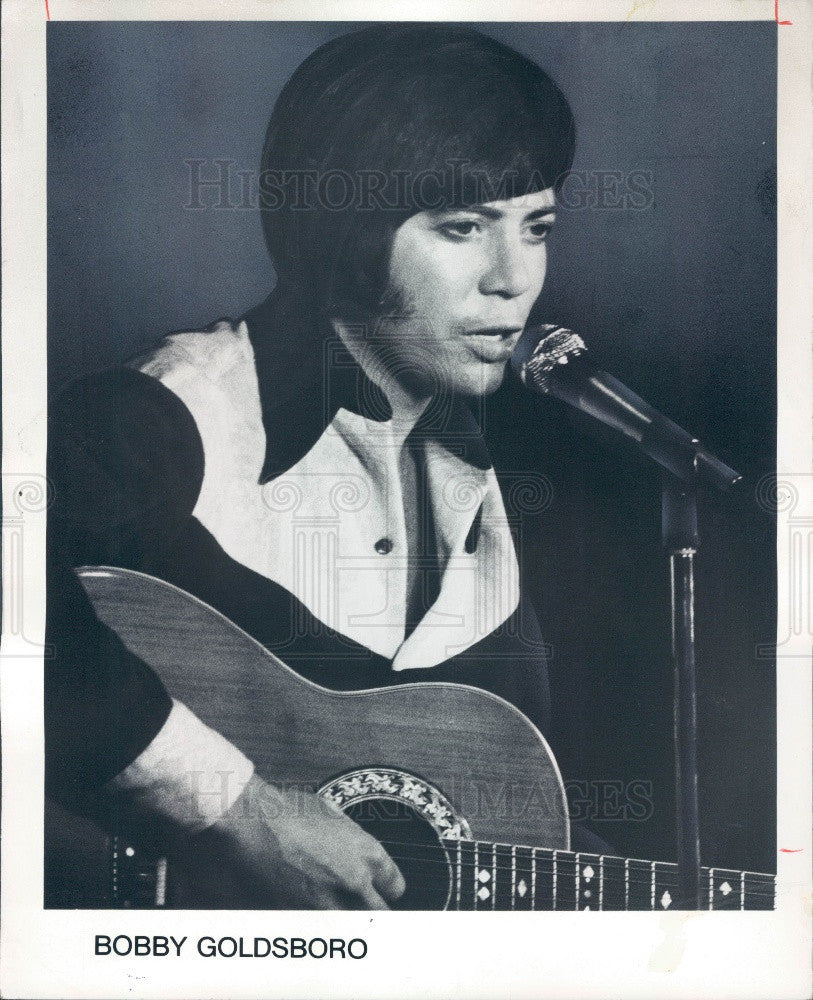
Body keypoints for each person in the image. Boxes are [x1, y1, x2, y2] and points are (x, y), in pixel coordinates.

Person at [45, 24, 578, 909]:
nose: (512, 280)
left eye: (538, 226)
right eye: (460, 228)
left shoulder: (504, 477)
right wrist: (238, 810)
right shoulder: (160, 415)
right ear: (345, 227)